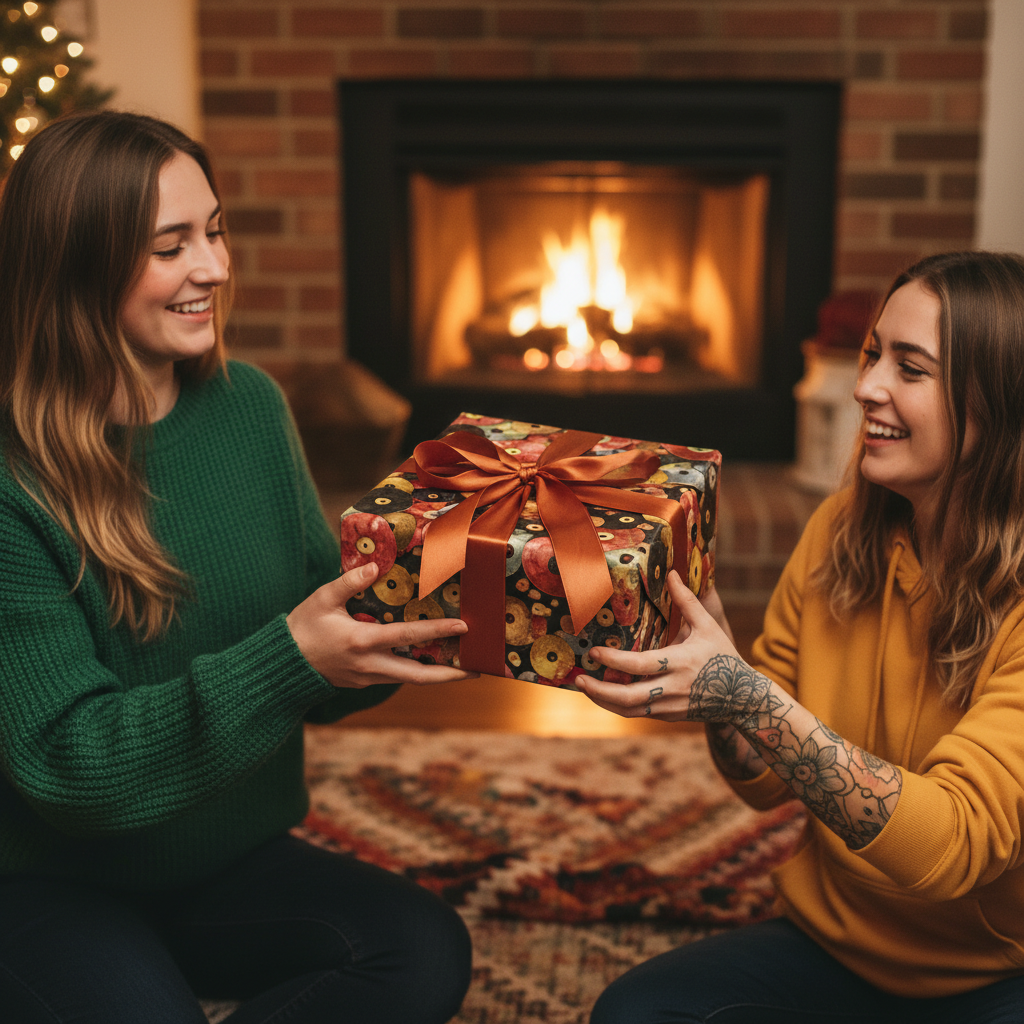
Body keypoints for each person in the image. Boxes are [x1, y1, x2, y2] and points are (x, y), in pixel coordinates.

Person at [0, 110, 475, 1023]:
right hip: (48, 882)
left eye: (213, 231)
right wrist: (292, 657)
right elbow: (70, 767)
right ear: (77, 264)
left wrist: (432, 617)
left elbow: (318, 668)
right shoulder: (14, 479)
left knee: (419, 951)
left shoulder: (249, 406)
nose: (214, 269)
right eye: (169, 247)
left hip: (220, 862)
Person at [576, 250, 1024, 1023]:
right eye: (874, 353)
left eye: (911, 369)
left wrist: (746, 693)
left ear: (1000, 408)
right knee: (635, 1014)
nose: (865, 387)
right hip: (830, 947)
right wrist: (715, 683)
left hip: (991, 975)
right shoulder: (839, 531)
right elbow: (763, 782)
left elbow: (952, 846)